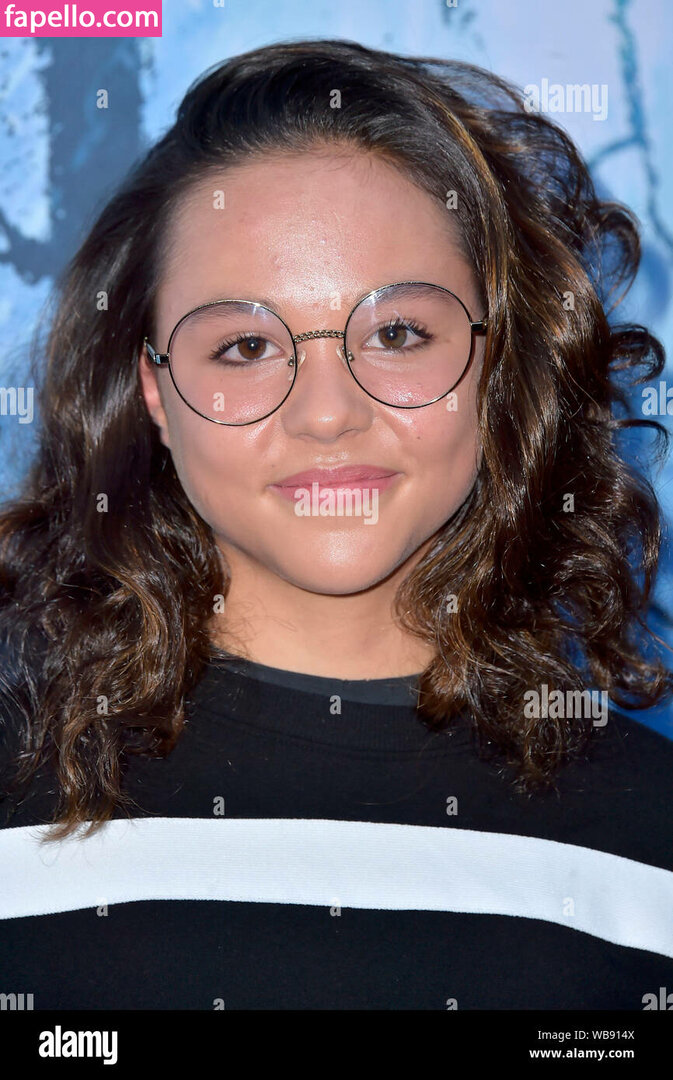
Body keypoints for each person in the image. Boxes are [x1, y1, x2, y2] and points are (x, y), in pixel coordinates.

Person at [0, 38, 672, 1011]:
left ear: (499, 361)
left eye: (396, 334)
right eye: (245, 346)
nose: (325, 413)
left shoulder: (649, 837)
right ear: (155, 392)